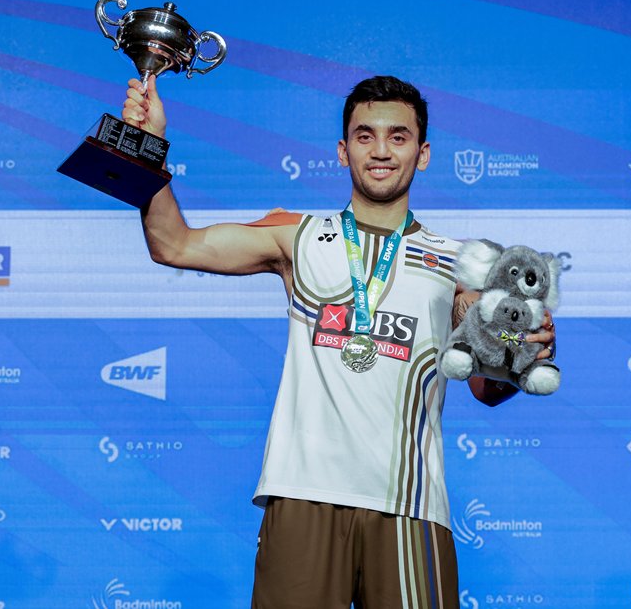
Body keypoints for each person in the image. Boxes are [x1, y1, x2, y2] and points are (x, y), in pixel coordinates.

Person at [122, 74, 556, 608]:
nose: (380, 150)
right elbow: (173, 243)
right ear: (342, 149)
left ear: (422, 155)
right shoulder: (295, 233)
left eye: (398, 137)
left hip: (409, 506)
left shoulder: (460, 265)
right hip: (303, 495)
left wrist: (523, 355)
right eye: (364, 135)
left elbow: (487, 390)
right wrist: (147, 146)